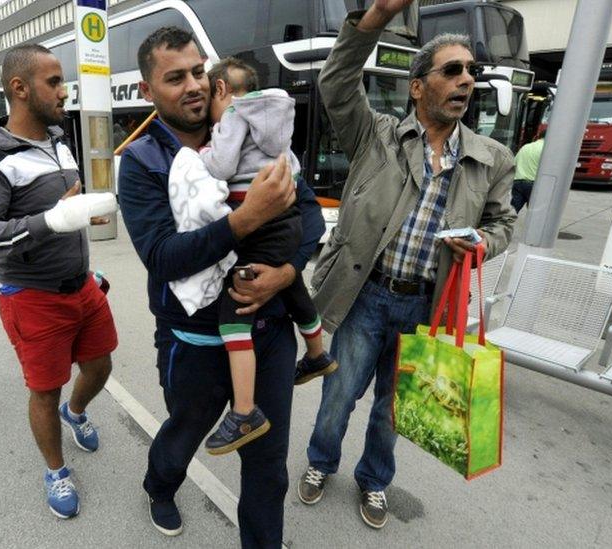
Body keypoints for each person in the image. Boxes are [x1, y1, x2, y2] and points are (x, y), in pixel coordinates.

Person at [298, 0, 517, 529]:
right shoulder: (375, 137)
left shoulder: (492, 159)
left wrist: (482, 244)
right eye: (452, 70)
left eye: (471, 72)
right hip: (365, 295)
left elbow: (504, 224)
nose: (466, 80)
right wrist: (372, 19)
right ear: (418, 87)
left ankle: (375, 482)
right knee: (339, 394)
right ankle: (321, 463)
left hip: (428, 305)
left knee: (392, 410)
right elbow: (337, 82)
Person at [117, 27, 324, 547]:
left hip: (269, 331)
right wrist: (245, 220)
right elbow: (162, 258)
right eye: (174, 78)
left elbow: (311, 219)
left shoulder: (250, 134)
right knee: (183, 436)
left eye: (197, 73)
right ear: (147, 91)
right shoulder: (143, 163)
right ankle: (160, 487)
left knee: (269, 467)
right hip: (194, 342)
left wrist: (288, 271)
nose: (193, 86)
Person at [0, 43, 119, 520]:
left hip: (83, 286)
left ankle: (78, 412)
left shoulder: (59, 140)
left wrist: (79, 213)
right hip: (32, 298)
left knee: (100, 368)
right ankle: (55, 470)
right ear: (19, 88)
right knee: (44, 392)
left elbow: (62, 210)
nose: (63, 91)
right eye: (53, 81)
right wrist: (52, 220)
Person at [182, 58, 336, 455]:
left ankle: (245, 411)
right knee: (291, 282)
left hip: (261, 225)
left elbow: (223, 163)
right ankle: (317, 354)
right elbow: (295, 172)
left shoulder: (233, 115)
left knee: (233, 313)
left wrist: (202, 155)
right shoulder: (279, 120)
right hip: (288, 222)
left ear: (221, 91)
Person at [512, 130, 545, 212]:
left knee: (512, 211)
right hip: (535, 184)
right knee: (535, 213)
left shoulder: (525, 146)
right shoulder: (547, 149)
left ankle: (504, 224)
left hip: (518, 182)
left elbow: (514, 163)